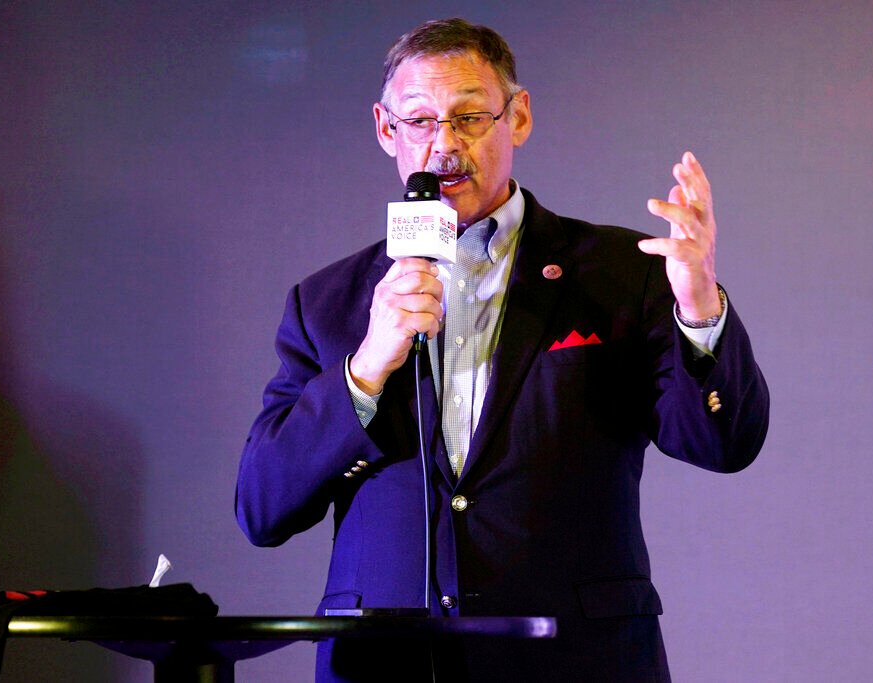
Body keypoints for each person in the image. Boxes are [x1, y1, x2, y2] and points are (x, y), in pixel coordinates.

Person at [235, 17, 769, 682]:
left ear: (517, 118)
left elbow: (725, 440)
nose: (444, 143)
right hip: (386, 665)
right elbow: (262, 507)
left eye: (470, 117)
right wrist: (367, 368)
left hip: (573, 659)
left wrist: (698, 305)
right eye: (420, 120)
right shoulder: (328, 303)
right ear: (385, 130)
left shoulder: (621, 272)